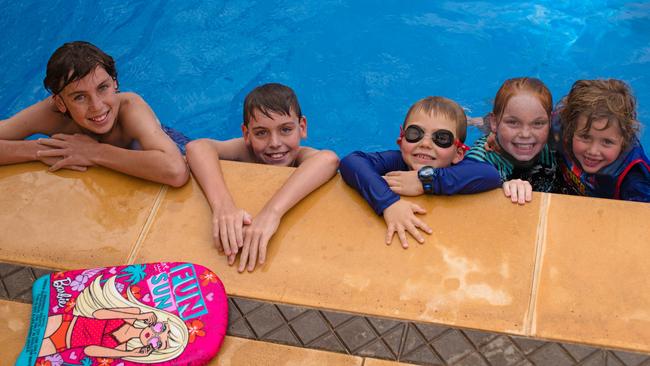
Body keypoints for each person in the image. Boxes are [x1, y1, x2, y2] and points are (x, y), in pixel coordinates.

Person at [186, 83, 339, 272]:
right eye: (261, 133)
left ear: (302, 127)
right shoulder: (244, 151)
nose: (275, 143)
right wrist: (223, 206)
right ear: (246, 134)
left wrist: (271, 213)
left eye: (285, 130)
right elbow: (197, 147)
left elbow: (328, 159)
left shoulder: (302, 157)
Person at [0, 41, 188, 187]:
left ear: (115, 83)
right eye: (80, 97)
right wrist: (44, 151)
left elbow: (176, 170)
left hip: (160, 145)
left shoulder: (130, 108)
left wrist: (93, 152)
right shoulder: (50, 113)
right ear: (60, 102)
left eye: (103, 87)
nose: (97, 106)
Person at [339, 96, 501, 248]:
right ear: (401, 141)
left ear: (458, 153)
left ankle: (480, 123)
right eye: (415, 133)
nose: (425, 143)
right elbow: (351, 161)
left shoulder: (462, 168)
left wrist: (425, 180)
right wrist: (388, 203)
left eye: (441, 138)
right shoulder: (399, 161)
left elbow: (491, 174)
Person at [38, 276, 189, 362]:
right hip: (66, 323)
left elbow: (89, 350)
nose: (154, 336)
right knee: (37, 328)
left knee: (29, 355)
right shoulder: (133, 314)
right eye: (161, 329)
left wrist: (132, 354)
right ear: (158, 322)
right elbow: (99, 314)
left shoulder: (121, 349)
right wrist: (138, 316)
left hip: (63, 344)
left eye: (159, 343)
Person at [553, 79, 650, 201]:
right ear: (570, 130)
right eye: (585, 137)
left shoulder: (634, 179)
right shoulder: (557, 130)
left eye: (607, 142)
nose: (593, 151)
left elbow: (641, 216)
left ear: (623, 140)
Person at [466, 77, 556, 204]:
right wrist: (499, 186)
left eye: (538, 123)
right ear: (495, 122)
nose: (525, 134)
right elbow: (456, 180)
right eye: (513, 122)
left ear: (550, 123)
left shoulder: (555, 145)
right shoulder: (481, 158)